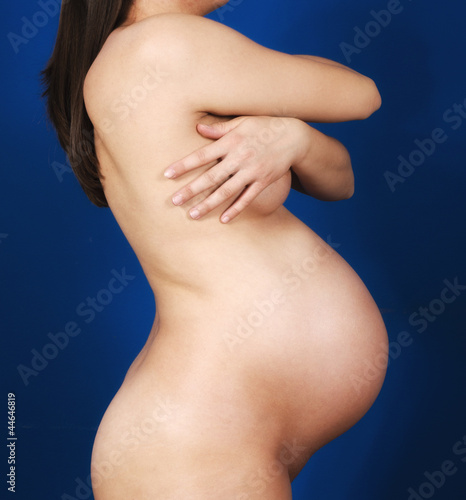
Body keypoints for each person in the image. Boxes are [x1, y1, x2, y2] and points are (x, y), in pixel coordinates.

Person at [42, 1, 388, 498]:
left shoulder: (155, 58)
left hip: (208, 434)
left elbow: (341, 182)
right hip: (191, 442)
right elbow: (362, 94)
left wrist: (293, 138)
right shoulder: (162, 48)